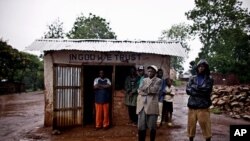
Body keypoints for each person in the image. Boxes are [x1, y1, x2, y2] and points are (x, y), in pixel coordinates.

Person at [186, 59, 214, 141]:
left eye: (203, 66)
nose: (201, 68)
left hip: (203, 107)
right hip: (192, 107)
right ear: (197, 68)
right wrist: (200, 90)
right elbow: (188, 90)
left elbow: (207, 91)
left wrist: (194, 89)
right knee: (191, 128)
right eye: (200, 66)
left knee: (206, 128)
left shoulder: (210, 79)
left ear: (206, 68)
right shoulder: (192, 78)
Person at [137, 65, 162, 141]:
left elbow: (154, 90)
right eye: (148, 71)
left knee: (152, 127)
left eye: (152, 71)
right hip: (142, 106)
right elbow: (139, 90)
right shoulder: (144, 80)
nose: (150, 72)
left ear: (155, 72)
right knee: (141, 126)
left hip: (152, 106)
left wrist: (145, 89)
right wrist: (146, 90)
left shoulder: (158, 80)